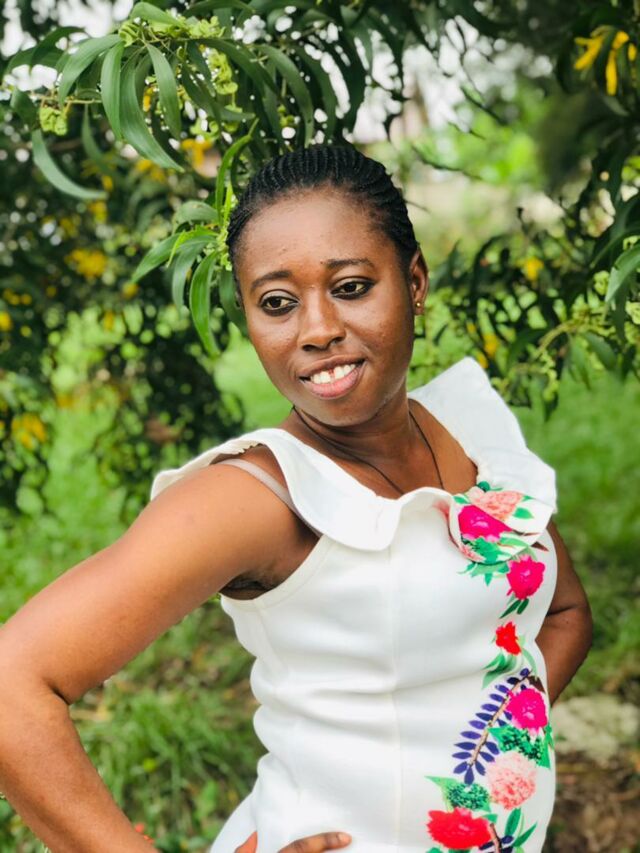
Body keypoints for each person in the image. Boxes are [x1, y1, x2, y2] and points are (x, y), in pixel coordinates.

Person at [0, 144, 592, 853]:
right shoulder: (258, 497)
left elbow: (563, 613)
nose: (317, 330)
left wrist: (487, 754)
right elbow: (11, 688)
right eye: (277, 303)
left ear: (414, 283)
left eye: (351, 287)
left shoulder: (469, 433)